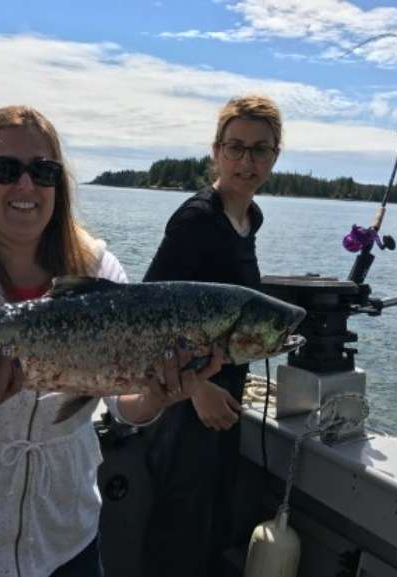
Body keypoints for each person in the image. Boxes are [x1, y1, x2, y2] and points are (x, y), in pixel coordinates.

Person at [0, 105, 223, 577]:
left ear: (60, 183)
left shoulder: (97, 267)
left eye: (43, 171)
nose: (25, 186)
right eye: (3, 169)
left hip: (61, 536)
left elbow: (124, 406)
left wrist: (157, 394)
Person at [141, 94, 283, 577]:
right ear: (216, 151)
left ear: (274, 157)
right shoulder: (196, 219)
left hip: (226, 394)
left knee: (212, 523)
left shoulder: (250, 219)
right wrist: (195, 388)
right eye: (236, 147)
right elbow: (144, 317)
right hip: (183, 398)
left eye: (259, 150)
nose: (246, 161)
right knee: (178, 530)